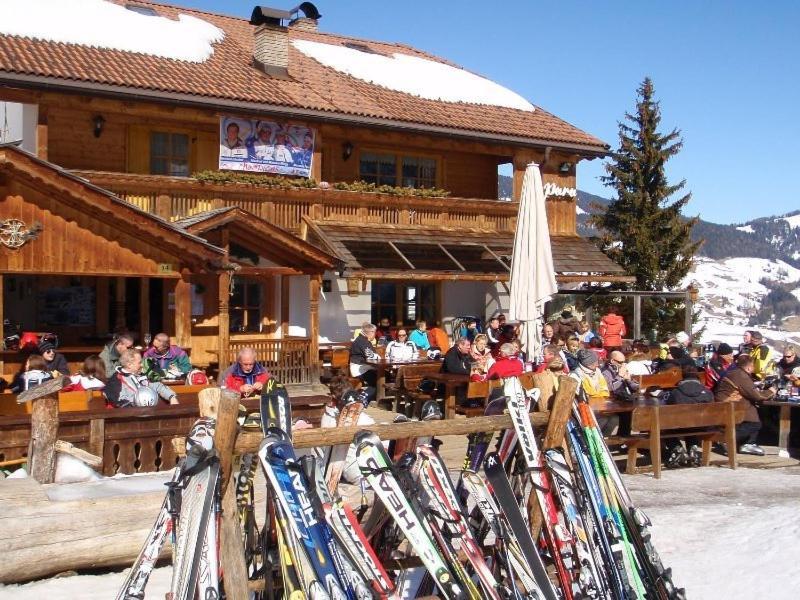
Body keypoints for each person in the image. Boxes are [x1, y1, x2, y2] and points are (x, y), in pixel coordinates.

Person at [715, 354, 775, 456]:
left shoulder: (735, 372)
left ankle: (748, 443)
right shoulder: (741, 376)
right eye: (753, 366)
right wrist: (770, 391)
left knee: (753, 410)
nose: (753, 369)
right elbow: (757, 396)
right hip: (729, 405)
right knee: (754, 423)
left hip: (728, 402)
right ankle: (726, 440)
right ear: (749, 367)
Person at [662, 365, 715, 467]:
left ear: (682, 377)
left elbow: (667, 409)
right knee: (693, 424)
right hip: (704, 426)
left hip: (680, 426)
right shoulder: (707, 392)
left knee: (665, 428)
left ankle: (676, 447)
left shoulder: (675, 393)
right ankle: (692, 447)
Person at [104, 349, 178, 407]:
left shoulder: (141, 376)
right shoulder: (116, 381)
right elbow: (119, 402)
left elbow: (157, 386)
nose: (142, 365)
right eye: (139, 362)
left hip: (147, 413)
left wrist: (171, 397)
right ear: (130, 365)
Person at [569, 349, 615, 435]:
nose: (597, 364)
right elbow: (582, 396)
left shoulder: (597, 371)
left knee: (614, 419)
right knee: (604, 419)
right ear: (587, 363)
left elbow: (604, 389)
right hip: (585, 409)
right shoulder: (576, 375)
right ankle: (593, 439)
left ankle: (603, 441)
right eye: (594, 362)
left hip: (599, 405)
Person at [349, 323, 379, 387]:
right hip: (359, 370)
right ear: (371, 332)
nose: (375, 335)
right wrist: (377, 357)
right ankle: (368, 396)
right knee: (380, 378)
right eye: (374, 332)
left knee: (384, 375)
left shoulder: (363, 340)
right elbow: (371, 357)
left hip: (363, 368)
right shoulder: (362, 341)